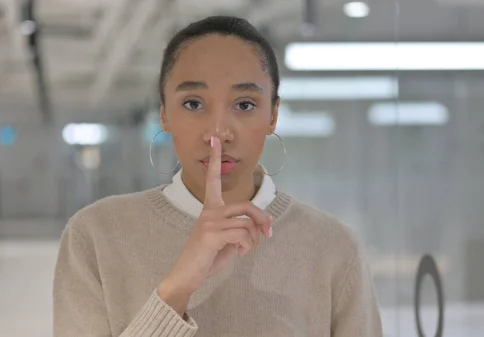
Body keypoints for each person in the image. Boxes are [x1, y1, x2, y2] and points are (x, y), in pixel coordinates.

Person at [53, 15, 382, 337]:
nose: (219, 132)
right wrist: (177, 287)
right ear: (164, 114)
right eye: (194, 104)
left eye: (244, 104)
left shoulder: (333, 247)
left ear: (273, 115)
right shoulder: (95, 236)